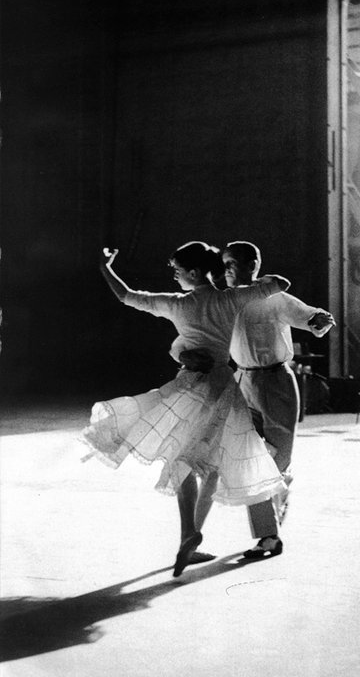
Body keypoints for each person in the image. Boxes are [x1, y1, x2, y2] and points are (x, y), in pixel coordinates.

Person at [81, 242, 290, 577]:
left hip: (191, 387)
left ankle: (189, 534)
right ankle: (189, 536)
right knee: (206, 465)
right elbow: (280, 284)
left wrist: (105, 268)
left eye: (177, 271)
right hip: (223, 386)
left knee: (186, 460)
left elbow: (126, 296)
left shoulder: (179, 304)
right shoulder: (228, 300)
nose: (175, 276)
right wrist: (256, 282)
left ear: (193, 273)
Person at [223, 240, 335, 559]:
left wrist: (318, 320)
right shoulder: (225, 301)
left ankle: (279, 495)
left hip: (276, 383)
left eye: (233, 264)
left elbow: (308, 315)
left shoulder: (273, 297)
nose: (227, 270)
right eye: (224, 264)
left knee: (277, 460)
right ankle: (268, 536)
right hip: (242, 381)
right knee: (250, 459)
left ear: (252, 266)